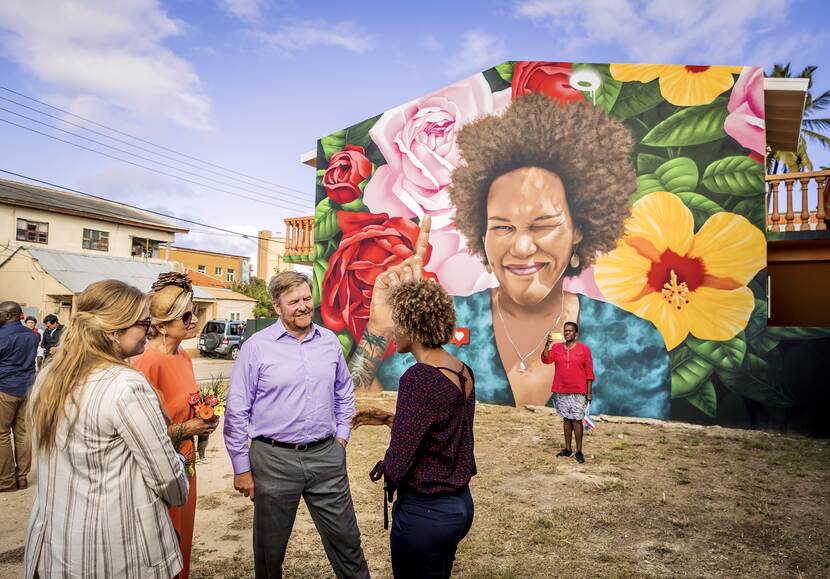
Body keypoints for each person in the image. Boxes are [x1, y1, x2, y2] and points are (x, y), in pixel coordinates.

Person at [351, 93, 670, 418]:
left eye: (542, 225)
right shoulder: (445, 323)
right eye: (503, 228)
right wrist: (378, 327)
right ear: (482, 234)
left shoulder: (632, 342)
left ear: (579, 229)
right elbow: (363, 414)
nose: (520, 247)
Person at [24, 280, 190, 578]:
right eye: (143, 322)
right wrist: (181, 460)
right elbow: (169, 481)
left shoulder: (49, 376)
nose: (150, 329)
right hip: (113, 550)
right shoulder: (125, 385)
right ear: (114, 331)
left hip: (56, 544)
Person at [224, 271, 369, 579]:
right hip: (273, 461)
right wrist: (241, 467)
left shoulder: (329, 342)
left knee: (348, 544)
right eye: (294, 302)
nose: (303, 306)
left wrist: (341, 439)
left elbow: (344, 392)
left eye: (307, 298)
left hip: (326, 458)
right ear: (277, 307)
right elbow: (237, 410)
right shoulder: (256, 347)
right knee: (269, 553)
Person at [352, 279, 476, 579]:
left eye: (397, 321)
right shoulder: (462, 371)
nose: (393, 329)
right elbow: (441, 430)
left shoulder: (418, 378)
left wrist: (387, 467)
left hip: (425, 512)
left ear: (411, 326)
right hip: (459, 507)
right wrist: (389, 419)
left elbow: (399, 460)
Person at [132, 272, 216, 579]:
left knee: (182, 546)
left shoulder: (183, 356)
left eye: (194, 311)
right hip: (158, 473)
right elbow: (140, 436)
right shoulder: (145, 364)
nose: (193, 319)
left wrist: (206, 418)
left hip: (186, 466)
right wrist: (188, 429)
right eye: (185, 315)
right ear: (161, 324)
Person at [542, 321, 594, 463]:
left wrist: (589, 392)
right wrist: (547, 344)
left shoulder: (584, 349)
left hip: (579, 391)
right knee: (566, 419)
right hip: (562, 389)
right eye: (565, 331)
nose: (567, 333)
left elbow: (589, 372)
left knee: (576, 420)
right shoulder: (557, 348)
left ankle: (579, 451)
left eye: (570, 331)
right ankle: (567, 449)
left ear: (576, 334)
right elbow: (546, 359)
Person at [0, 302, 39, 492]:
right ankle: (21, 477)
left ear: (8, 315)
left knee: (2, 434)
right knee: (22, 433)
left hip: (5, 388)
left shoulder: (2, 336)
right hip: (27, 388)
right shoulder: (31, 335)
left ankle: (6, 481)